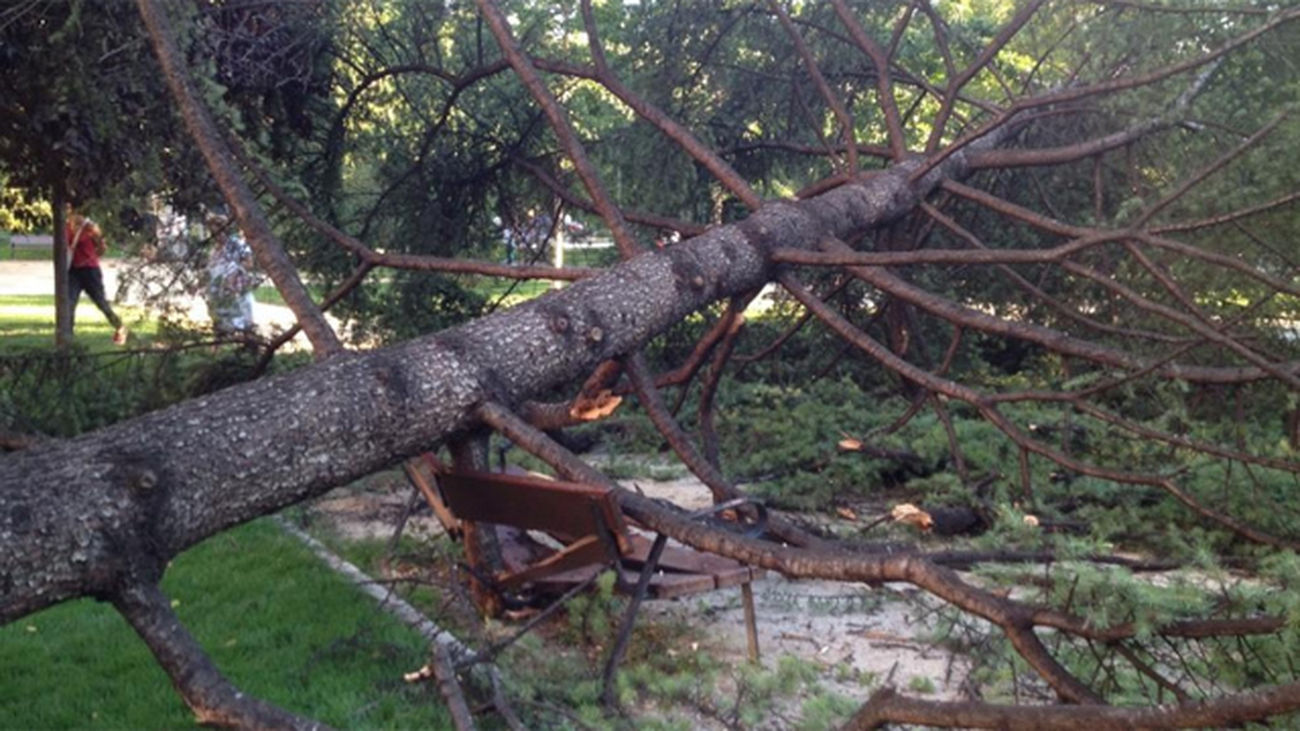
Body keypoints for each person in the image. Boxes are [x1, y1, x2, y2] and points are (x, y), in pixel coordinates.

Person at [65, 205, 127, 345]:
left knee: (101, 303)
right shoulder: (67, 227)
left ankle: (119, 327)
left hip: (90, 271)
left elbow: (102, 247)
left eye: (75, 211)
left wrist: (91, 257)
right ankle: (67, 337)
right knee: (69, 304)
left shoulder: (90, 228)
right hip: (73, 271)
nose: (73, 214)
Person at [204, 211, 258, 336]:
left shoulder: (237, 244)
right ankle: (218, 343)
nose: (216, 236)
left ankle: (248, 342)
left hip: (237, 288)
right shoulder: (214, 250)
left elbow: (249, 262)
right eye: (213, 233)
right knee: (219, 318)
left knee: (244, 317)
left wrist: (234, 269)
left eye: (218, 231)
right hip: (218, 292)